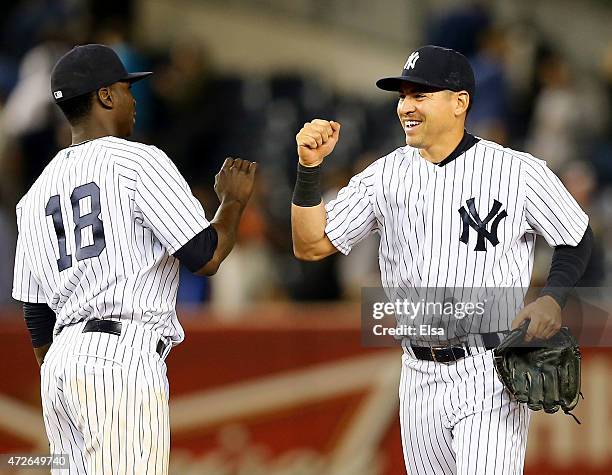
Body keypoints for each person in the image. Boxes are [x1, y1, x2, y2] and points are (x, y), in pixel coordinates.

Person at [290, 45, 593, 474]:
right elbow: (311, 244)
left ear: (459, 102)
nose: (406, 107)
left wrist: (553, 297)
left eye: (420, 95)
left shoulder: (515, 171)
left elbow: (577, 236)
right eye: (403, 96)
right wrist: (308, 170)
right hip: (417, 373)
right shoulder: (384, 174)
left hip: (489, 370)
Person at [12, 44, 256, 474]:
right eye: (126, 89)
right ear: (105, 96)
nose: (134, 100)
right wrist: (231, 203)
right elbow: (206, 256)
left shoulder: (32, 196)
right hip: (120, 359)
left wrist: (65, 370)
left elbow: (35, 316)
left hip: (60, 367)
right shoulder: (137, 160)